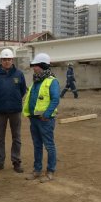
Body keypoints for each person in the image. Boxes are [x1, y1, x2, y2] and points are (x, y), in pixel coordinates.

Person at [0, 48, 27, 173]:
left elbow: (22, 90)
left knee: (17, 137)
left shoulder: (19, 74)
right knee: (0, 138)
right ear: (1, 60)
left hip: (15, 110)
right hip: (0, 111)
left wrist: (14, 100)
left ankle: (16, 161)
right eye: (4, 59)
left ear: (12, 60)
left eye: (9, 59)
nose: (6, 61)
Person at [23, 53, 60, 182]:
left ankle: (50, 171)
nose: (34, 68)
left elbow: (55, 99)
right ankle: (37, 170)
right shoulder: (36, 80)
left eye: (36, 66)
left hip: (45, 120)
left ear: (43, 66)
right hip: (34, 119)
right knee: (37, 145)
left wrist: (46, 114)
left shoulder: (51, 81)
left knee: (49, 146)